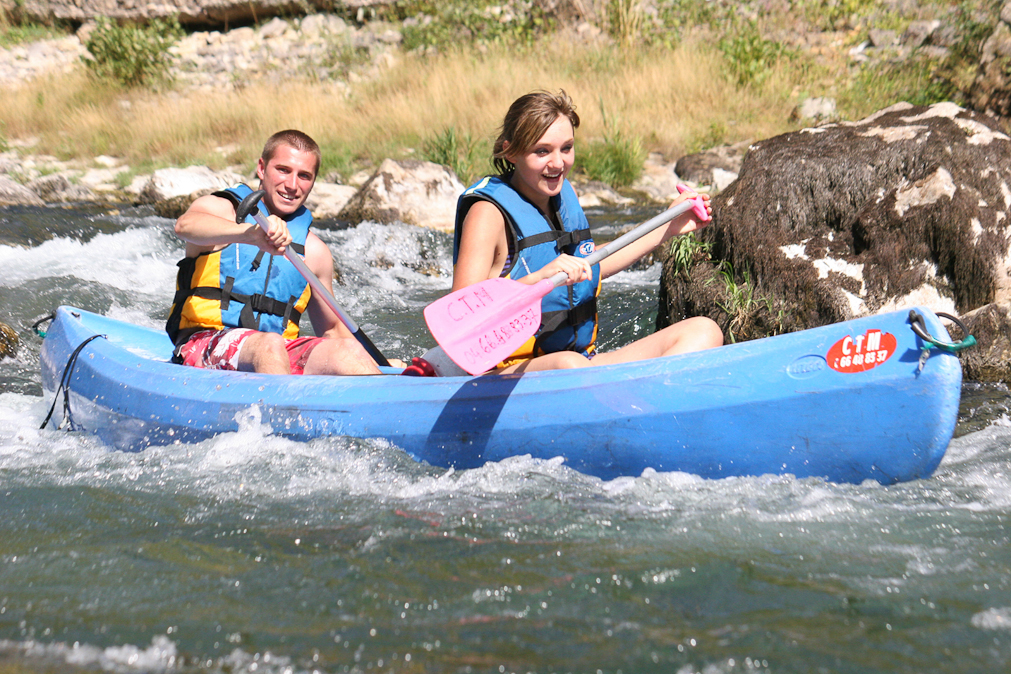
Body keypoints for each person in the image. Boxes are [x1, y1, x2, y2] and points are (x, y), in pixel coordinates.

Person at [451, 90, 724, 373]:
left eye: (566, 148)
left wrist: (669, 226)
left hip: (579, 363)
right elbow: (461, 317)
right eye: (541, 151)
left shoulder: (561, 197)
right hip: (502, 374)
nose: (558, 163)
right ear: (511, 152)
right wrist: (541, 278)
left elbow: (595, 264)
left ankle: (642, 408)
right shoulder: (488, 213)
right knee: (569, 365)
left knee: (703, 331)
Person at [166, 129, 387, 376]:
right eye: (283, 170)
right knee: (269, 345)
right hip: (205, 343)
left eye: (304, 176)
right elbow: (184, 226)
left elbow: (333, 330)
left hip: (277, 353)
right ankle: (284, 413)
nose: (292, 185)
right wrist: (249, 234)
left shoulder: (315, 252)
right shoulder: (220, 210)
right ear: (262, 168)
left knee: (348, 351)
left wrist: (379, 367)